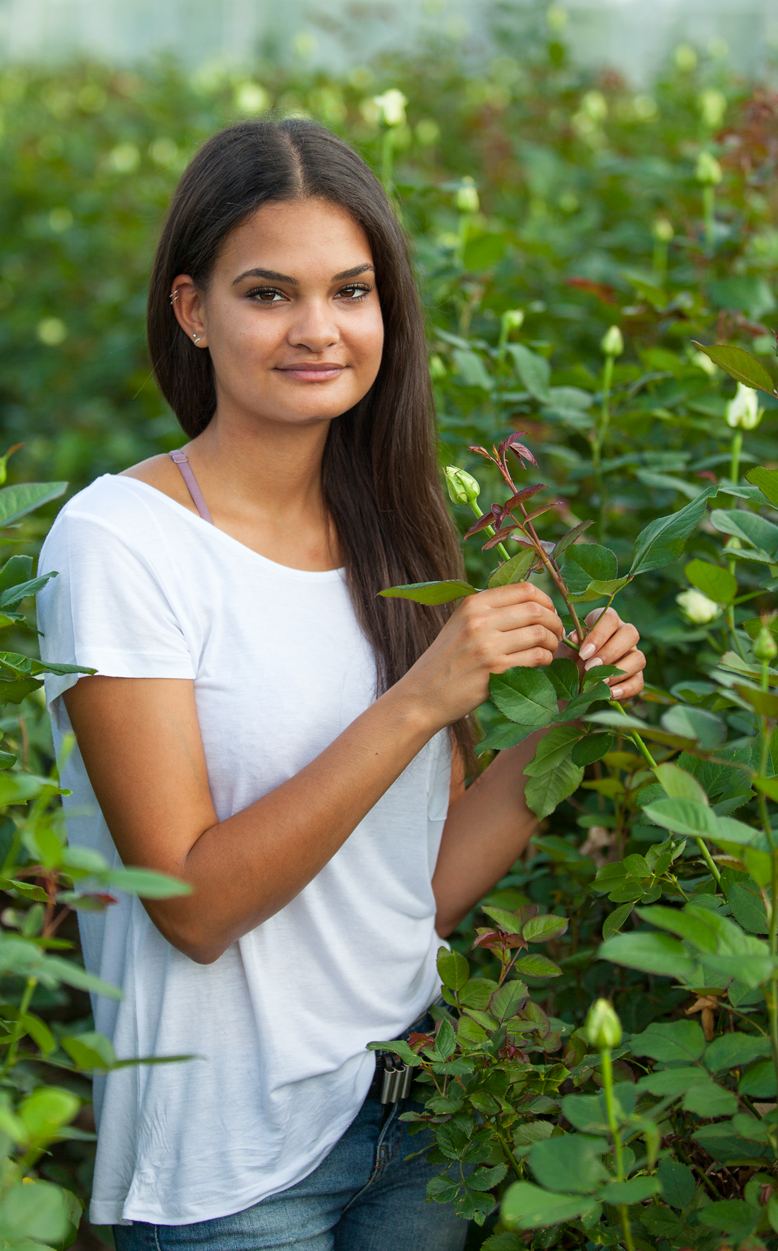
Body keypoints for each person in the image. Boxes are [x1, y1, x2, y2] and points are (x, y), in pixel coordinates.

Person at [36, 118, 645, 1251]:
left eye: (350, 291)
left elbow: (413, 897)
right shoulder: (121, 542)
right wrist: (420, 698)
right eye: (268, 293)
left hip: (418, 1121)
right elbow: (194, 907)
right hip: (228, 1169)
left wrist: (569, 723)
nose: (318, 329)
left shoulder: (397, 538)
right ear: (192, 310)